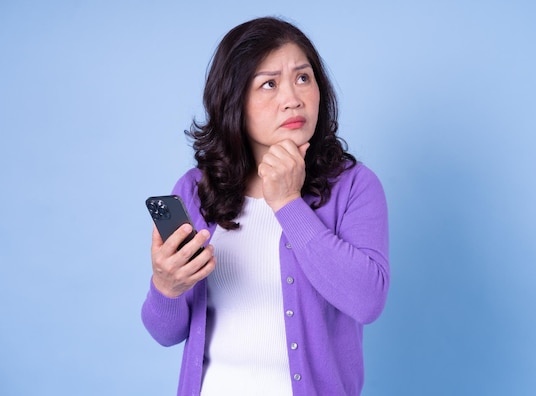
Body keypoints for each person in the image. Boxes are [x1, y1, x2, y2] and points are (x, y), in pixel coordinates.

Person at [141, 16, 390, 396]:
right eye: (269, 84)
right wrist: (165, 286)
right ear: (234, 100)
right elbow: (165, 333)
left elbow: (368, 301)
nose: (292, 98)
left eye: (303, 78)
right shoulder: (195, 190)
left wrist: (288, 203)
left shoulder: (354, 186)